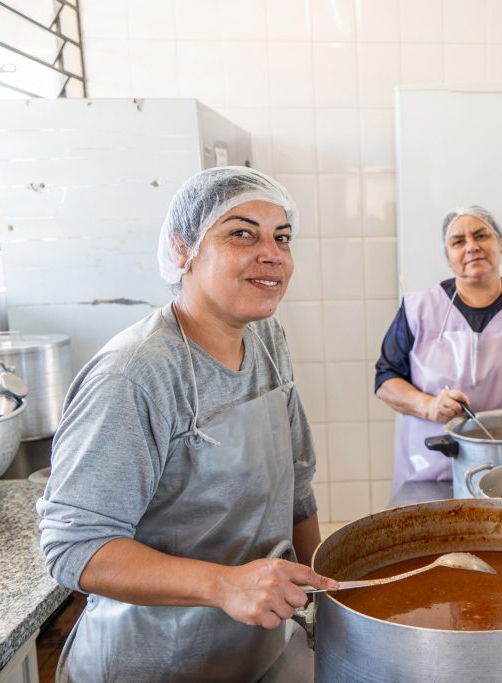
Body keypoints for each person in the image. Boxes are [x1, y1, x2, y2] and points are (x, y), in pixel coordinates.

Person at [37, 167, 337, 682]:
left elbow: (297, 486)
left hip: (254, 651)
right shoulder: (135, 374)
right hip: (150, 662)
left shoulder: (267, 339)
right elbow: (74, 547)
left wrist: (330, 607)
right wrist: (225, 586)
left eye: (281, 237)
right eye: (242, 233)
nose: (273, 253)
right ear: (183, 249)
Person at [375, 205, 502, 492]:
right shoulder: (417, 308)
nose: (471, 247)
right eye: (458, 241)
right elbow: (386, 380)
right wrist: (429, 406)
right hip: (430, 471)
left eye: (481, 236)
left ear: (501, 244)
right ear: (448, 257)